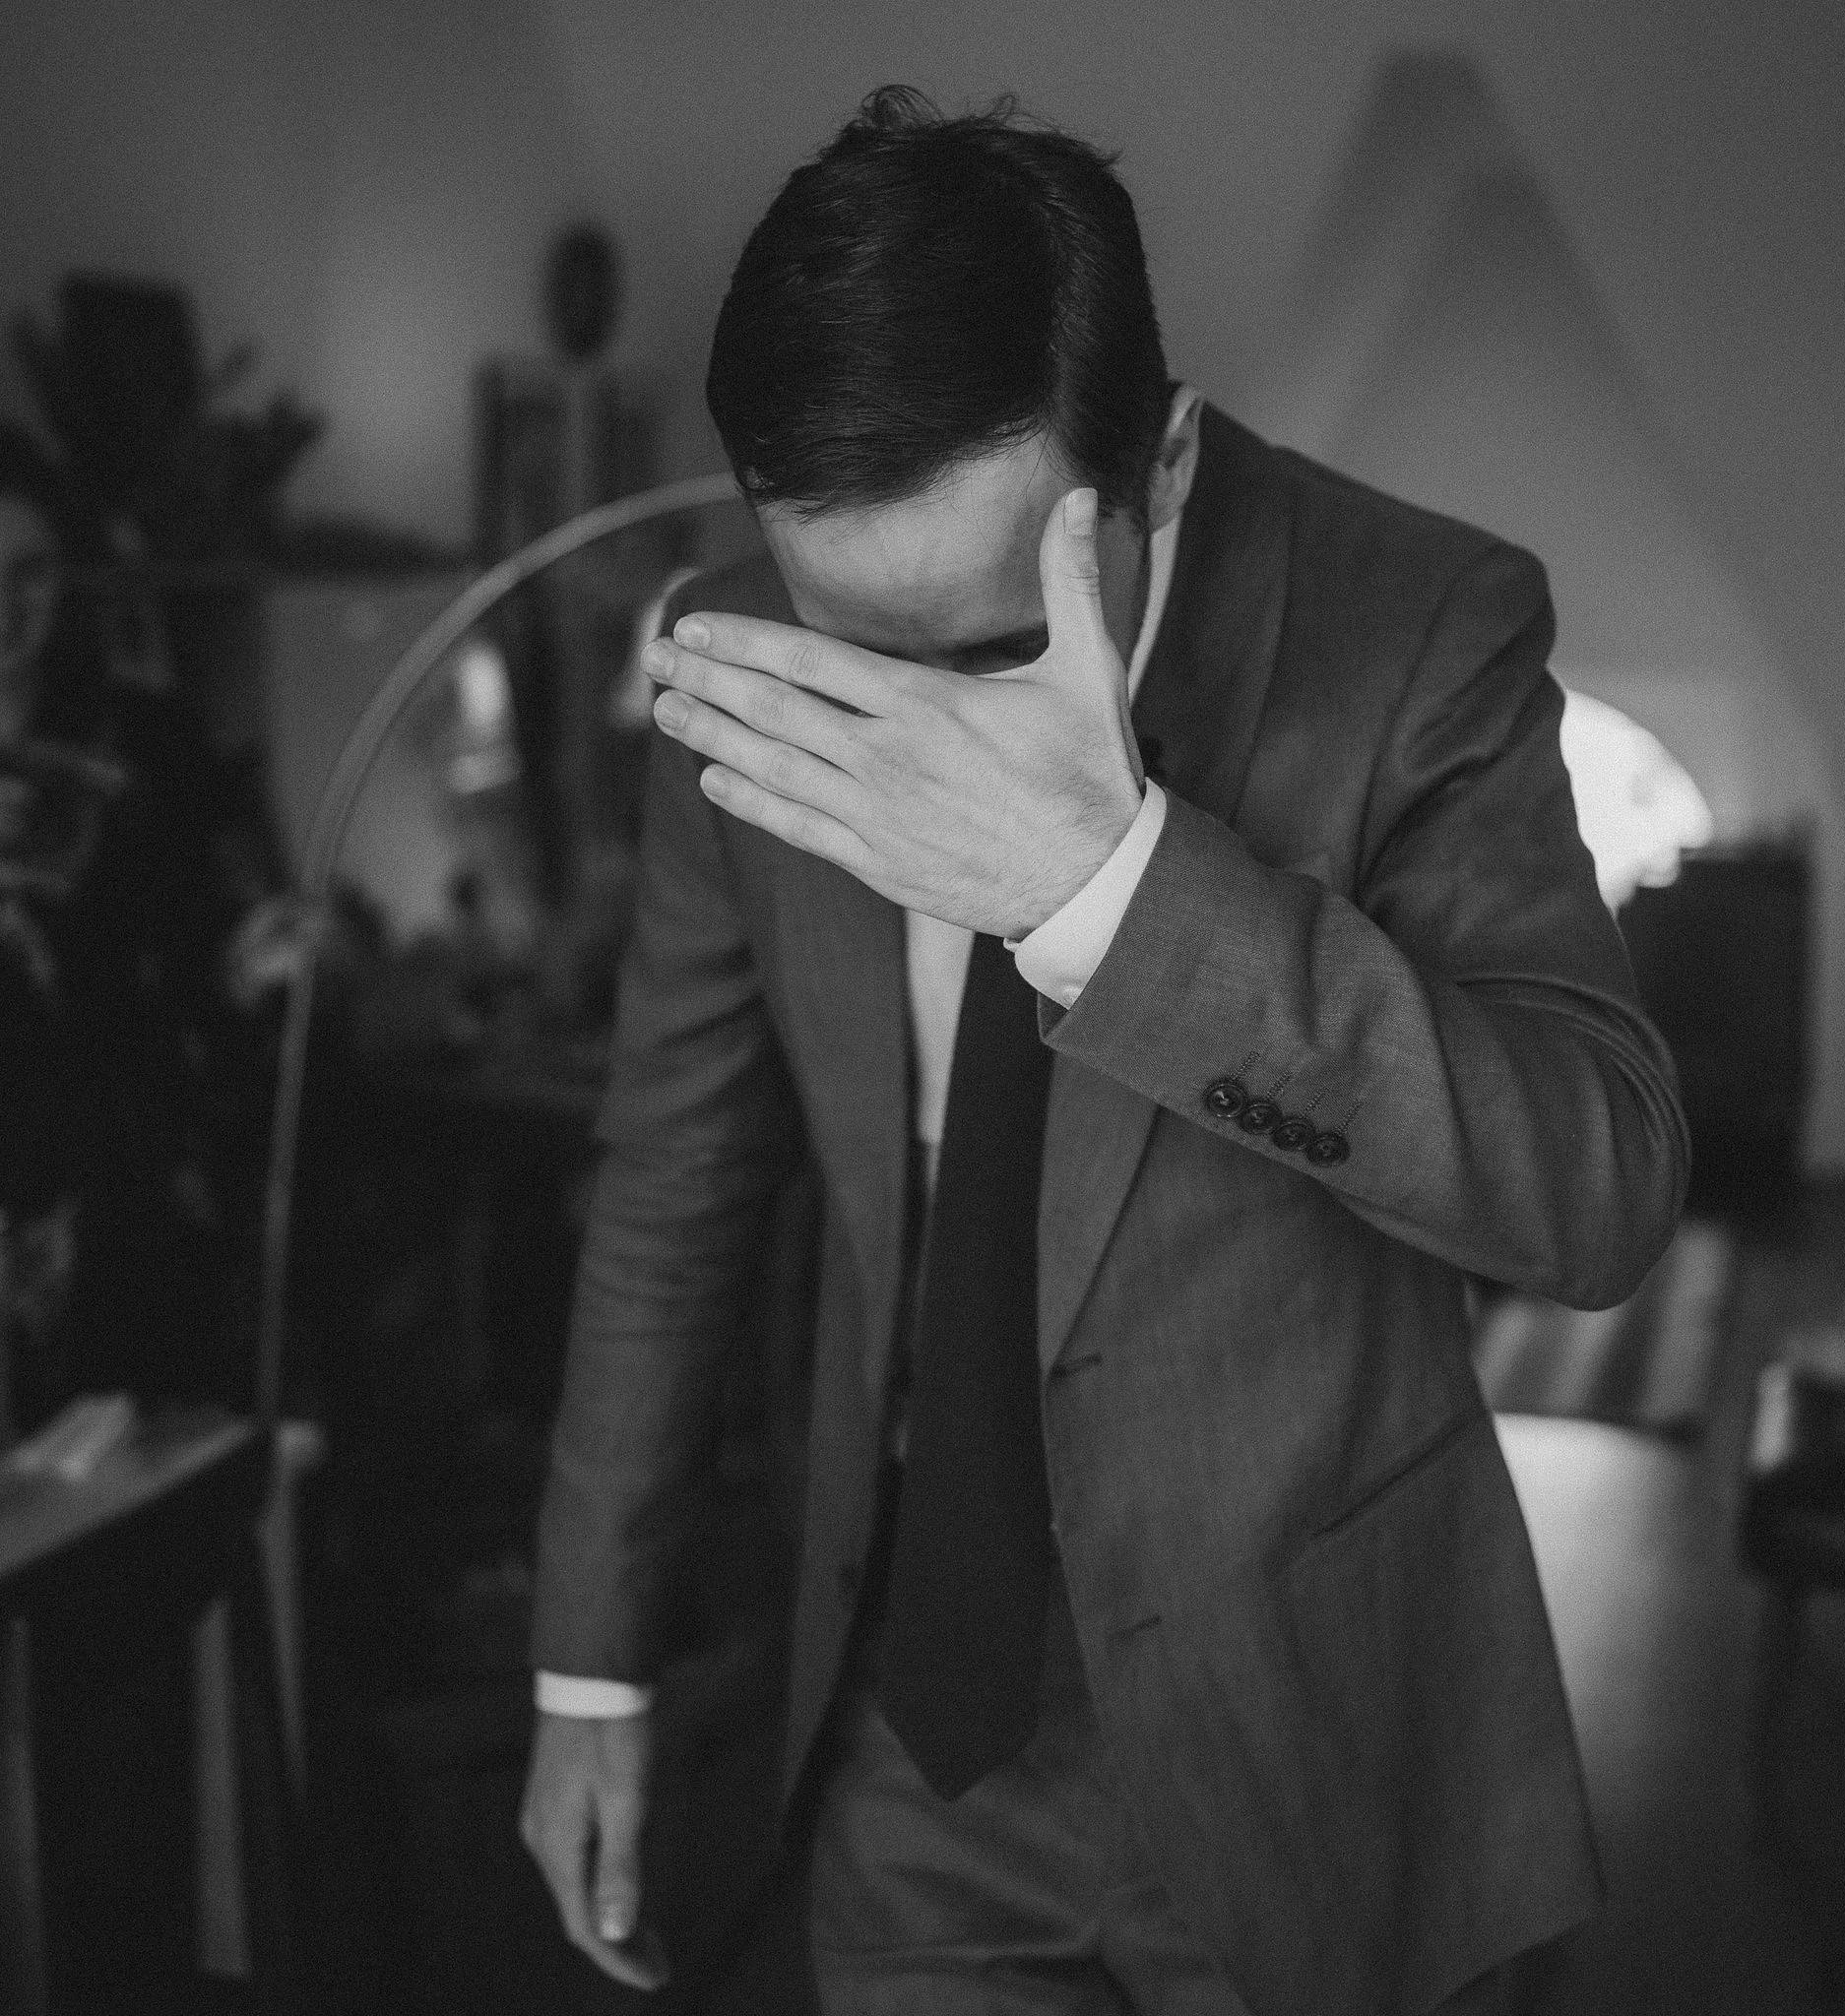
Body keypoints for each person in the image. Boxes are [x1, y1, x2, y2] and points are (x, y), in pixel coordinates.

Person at [521, 89, 1688, 2016]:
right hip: (909, 1725)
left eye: (983, 648)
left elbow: (1597, 1187)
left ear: (1161, 463)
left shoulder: (1420, 624)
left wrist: (1115, 892)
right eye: (855, 644)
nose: (909, 730)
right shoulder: (732, 665)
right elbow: (672, 1174)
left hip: (1314, 1726)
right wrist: (589, 1663)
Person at [0, 422, 301, 1429]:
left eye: (29, 572)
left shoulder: (145, 741)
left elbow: (201, 949)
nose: (5, 609)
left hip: (115, 1194)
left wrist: (245, 965)